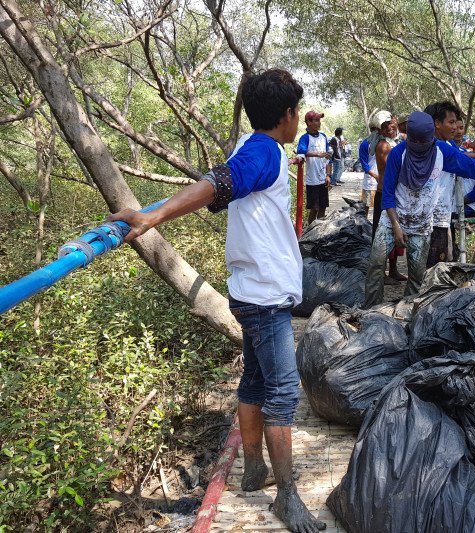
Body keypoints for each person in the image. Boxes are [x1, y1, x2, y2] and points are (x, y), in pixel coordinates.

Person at [108, 69, 326, 533]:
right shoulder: (266, 151)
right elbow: (216, 185)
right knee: (283, 393)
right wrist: (151, 216)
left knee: (253, 378)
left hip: (248, 291)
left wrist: (153, 213)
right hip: (264, 297)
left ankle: (253, 468)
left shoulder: (251, 146)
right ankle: (287, 497)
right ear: (288, 116)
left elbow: (219, 180)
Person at [363, 112, 475, 307]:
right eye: (417, 141)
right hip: (392, 221)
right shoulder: (398, 154)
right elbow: (388, 193)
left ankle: (406, 312)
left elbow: (471, 166)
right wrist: (396, 226)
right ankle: (371, 310)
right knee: (375, 265)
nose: (421, 146)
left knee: (416, 275)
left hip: (422, 224)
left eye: (425, 141)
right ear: (410, 137)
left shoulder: (441, 152)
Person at [423, 101, 462, 266]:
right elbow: (466, 163)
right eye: (451, 122)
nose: (455, 127)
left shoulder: (447, 143)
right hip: (434, 216)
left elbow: (463, 157)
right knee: (435, 265)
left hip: (442, 214)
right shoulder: (436, 146)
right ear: (437, 124)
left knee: (440, 260)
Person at [371, 113, 407, 284]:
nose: (389, 128)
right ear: (380, 129)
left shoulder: (397, 142)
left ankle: (393, 270)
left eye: (391, 123)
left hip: (395, 194)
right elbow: (396, 166)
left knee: (396, 233)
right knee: (383, 233)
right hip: (385, 193)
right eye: (385, 126)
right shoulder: (383, 146)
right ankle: (382, 274)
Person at [297, 111, 331, 224]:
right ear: (308, 122)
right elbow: (301, 152)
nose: (319, 123)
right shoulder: (305, 138)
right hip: (312, 180)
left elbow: (328, 157)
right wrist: (317, 154)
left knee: (323, 207)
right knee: (314, 208)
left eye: (319, 120)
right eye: (316, 120)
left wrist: (328, 175)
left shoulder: (323, 137)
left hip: (323, 178)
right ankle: (309, 232)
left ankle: (319, 232)